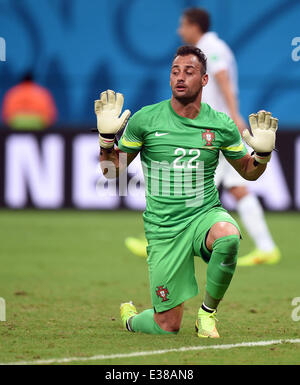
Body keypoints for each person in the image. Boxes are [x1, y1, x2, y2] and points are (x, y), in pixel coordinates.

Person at [96, 46, 278, 337]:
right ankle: (131, 319)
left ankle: (207, 315)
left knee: (228, 236)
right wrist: (106, 140)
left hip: (203, 216)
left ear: (204, 80)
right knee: (167, 326)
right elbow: (110, 171)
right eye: (175, 71)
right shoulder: (146, 120)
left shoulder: (220, 124)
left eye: (189, 72)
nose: (180, 77)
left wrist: (262, 156)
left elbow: (248, 171)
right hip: (164, 228)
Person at [177, 7, 280, 266]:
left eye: (183, 25)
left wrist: (235, 114)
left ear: (193, 26)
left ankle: (167, 242)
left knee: (189, 181)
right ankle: (267, 247)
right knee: (235, 187)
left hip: (217, 129)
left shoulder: (210, 46)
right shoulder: (211, 46)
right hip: (217, 127)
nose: (179, 30)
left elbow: (222, 77)